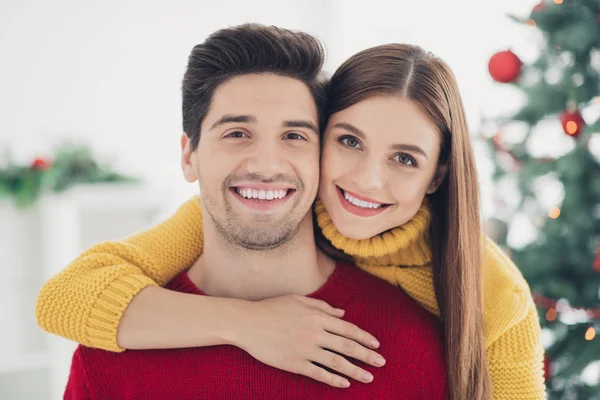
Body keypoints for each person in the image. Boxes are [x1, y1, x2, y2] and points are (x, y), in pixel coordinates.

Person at [36, 24, 547, 400]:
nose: (266, 164)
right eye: (237, 133)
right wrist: (248, 324)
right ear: (189, 155)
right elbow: (64, 295)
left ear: (437, 177)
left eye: (293, 135)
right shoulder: (115, 343)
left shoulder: (474, 303)